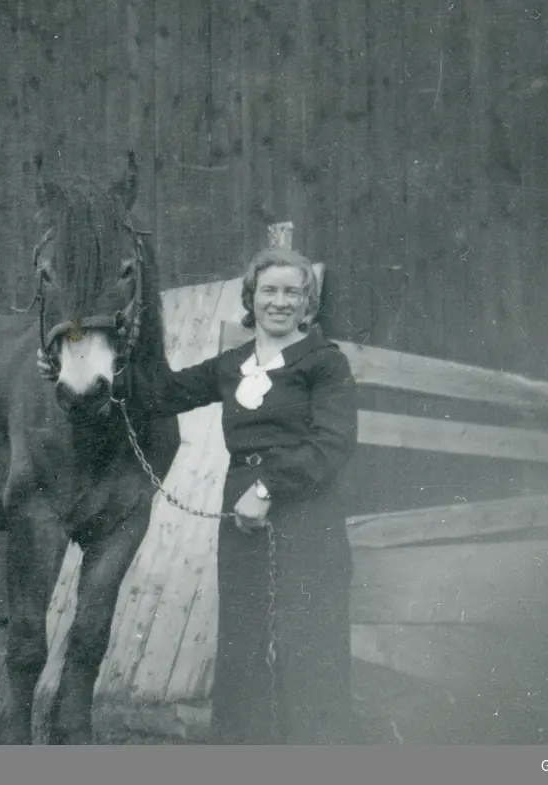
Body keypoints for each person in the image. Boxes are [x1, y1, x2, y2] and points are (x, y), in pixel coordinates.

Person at [39, 246, 360, 744]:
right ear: (251, 299)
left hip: (305, 512)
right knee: (243, 638)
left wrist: (268, 488)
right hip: (242, 516)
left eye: (292, 292)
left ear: (307, 301)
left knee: (305, 639)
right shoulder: (233, 364)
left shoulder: (324, 363)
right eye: (269, 291)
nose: (280, 302)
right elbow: (160, 394)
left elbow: (332, 444)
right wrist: (77, 366)